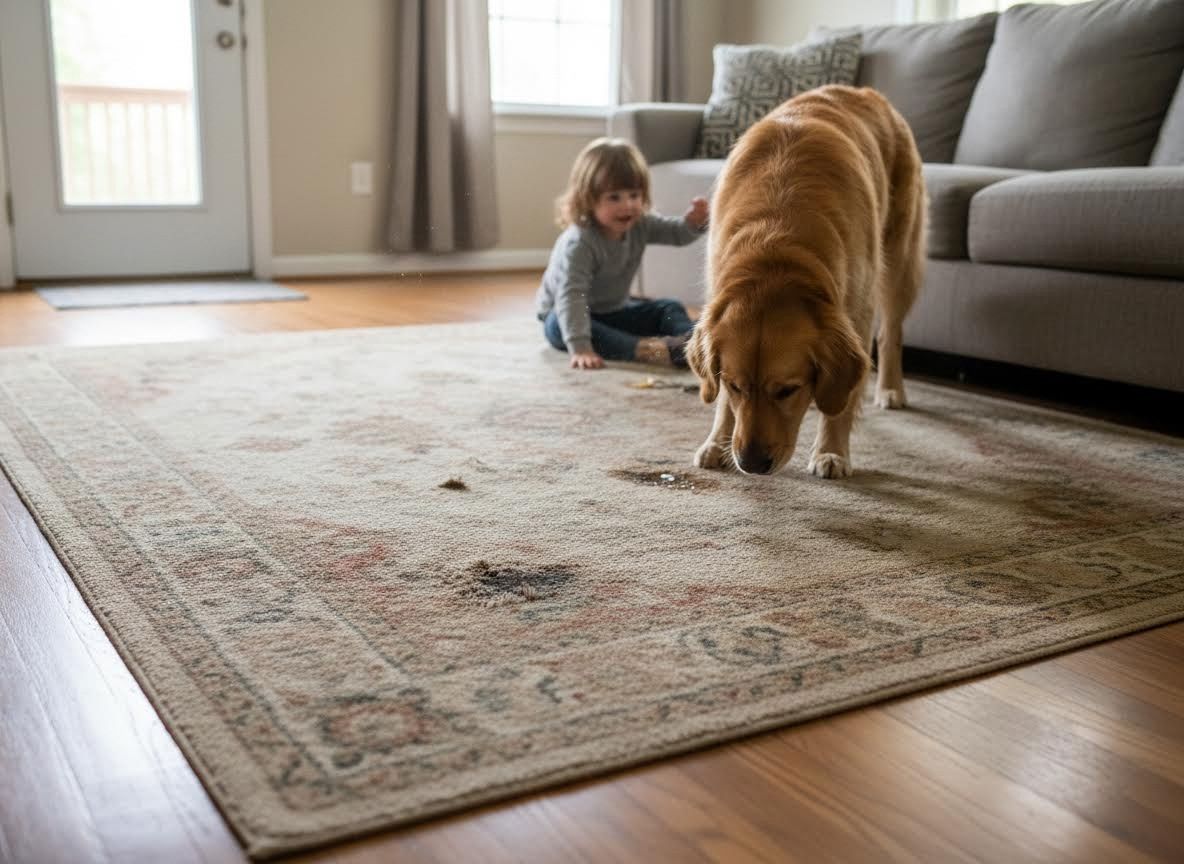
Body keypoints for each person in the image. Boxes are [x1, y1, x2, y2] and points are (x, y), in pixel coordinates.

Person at [536, 137, 709, 370]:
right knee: (558, 323)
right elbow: (571, 297)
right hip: (572, 316)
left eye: (634, 195)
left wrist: (693, 224)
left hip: (615, 310)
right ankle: (647, 350)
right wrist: (580, 348)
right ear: (588, 199)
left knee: (668, 307)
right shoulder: (580, 243)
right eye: (614, 197)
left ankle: (693, 343)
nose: (627, 205)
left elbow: (676, 234)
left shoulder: (640, 224)